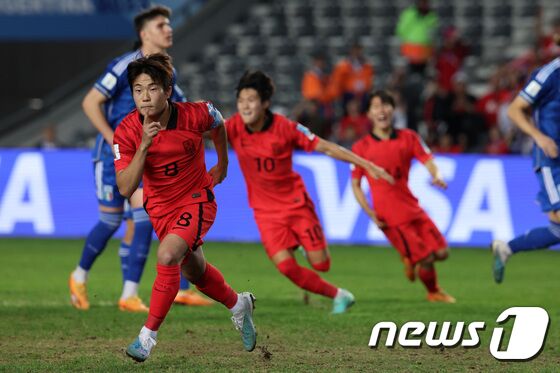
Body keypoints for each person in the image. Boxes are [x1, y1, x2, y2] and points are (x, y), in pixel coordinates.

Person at [113, 54, 256, 362]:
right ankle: (238, 304)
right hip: (161, 210)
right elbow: (125, 187)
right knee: (195, 271)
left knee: (166, 255)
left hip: (196, 198)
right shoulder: (126, 132)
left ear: (167, 89)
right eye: (138, 90)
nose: (145, 97)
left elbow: (219, 124)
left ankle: (146, 338)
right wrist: (143, 147)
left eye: (152, 88)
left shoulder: (196, 114)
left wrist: (223, 162)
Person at [69, 5, 210, 313]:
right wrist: (112, 139)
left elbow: (181, 110)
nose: (168, 29)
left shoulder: (167, 73)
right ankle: (79, 276)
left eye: (169, 25)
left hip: (146, 156)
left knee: (146, 218)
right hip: (114, 155)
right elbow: (91, 102)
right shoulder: (125, 66)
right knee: (111, 221)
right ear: (145, 34)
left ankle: (131, 293)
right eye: (161, 25)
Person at [226, 70, 394, 314]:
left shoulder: (286, 128)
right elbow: (201, 130)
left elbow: (326, 147)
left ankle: (305, 244)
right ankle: (340, 295)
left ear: (265, 103)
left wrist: (366, 164)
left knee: (322, 264)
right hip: (264, 212)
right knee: (286, 268)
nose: (245, 106)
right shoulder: (233, 127)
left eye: (251, 100)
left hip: (295, 205)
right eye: (241, 101)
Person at [350, 90, 455, 303]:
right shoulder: (360, 148)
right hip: (389, 215)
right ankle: (433, 291)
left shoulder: (409, 137)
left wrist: (437, 175)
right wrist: (370, 214)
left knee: (443, 252)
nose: (382, 110)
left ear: (393, 110)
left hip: (411, 206)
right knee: (425, 258)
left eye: (386, 105)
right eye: (376, 106)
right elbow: (356, 184)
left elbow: (427, 159)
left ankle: (409, 258)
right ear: (369, 114)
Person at [491, 51, 560, 283]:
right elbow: (515, 109)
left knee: (557, 230)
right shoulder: (549, 74)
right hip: (553, 160)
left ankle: (506, 248)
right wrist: (539, 137)